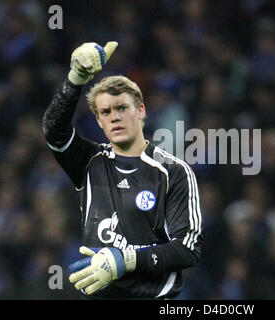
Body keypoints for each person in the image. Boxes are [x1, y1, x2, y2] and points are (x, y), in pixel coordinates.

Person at [42, 42, 203, 299]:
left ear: (141, 111)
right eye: (106, 112)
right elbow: (53, 130)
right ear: (99, 121)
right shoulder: (89, 161)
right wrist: (75, 80)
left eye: (122, 108)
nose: (114, 117)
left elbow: (187, 249)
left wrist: (125, 260)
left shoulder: (173, 172)